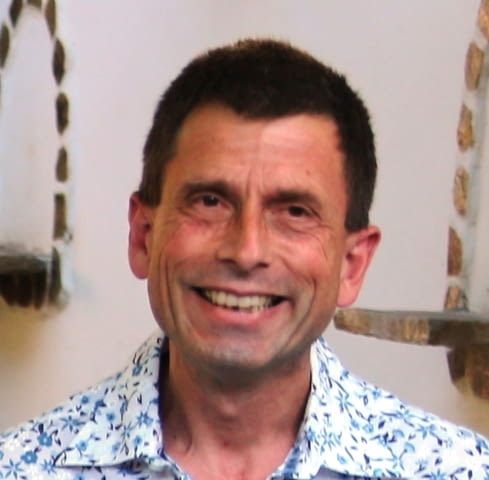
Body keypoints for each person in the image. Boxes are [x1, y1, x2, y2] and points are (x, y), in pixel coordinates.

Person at [1, 38, 488, 480]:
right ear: (143, 236)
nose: (246, 250)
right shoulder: (21, 468)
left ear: (352, 264)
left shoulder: (458, 471)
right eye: (210, 201)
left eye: (294, 211)